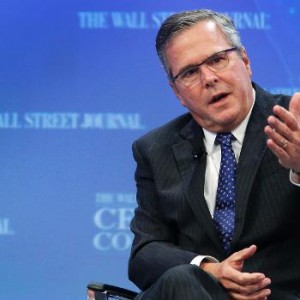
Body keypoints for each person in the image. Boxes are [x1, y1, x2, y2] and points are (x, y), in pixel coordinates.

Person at [128, 9, 300, 300]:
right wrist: (208, 268)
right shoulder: (155, 150)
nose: (208, 78)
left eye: (217, 60)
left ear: (245, 61)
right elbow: (145, 254)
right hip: (195, 294)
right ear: (177, 93)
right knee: (181, 279)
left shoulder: (293, 125)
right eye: (190, 72)